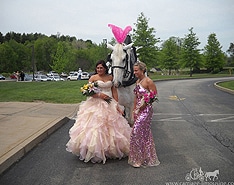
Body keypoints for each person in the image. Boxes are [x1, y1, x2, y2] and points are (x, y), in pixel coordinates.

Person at [66, 60, 132, 164]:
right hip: (96, 103)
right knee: (95, 127)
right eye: (98, 68)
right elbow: (88, 92)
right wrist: (100, 95)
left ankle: (111, 149)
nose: (99, 70)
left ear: (105, 68)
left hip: (110, 102)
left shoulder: (110, 77)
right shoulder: (93, 78)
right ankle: (94, 150)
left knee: (112, 126)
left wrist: (117, 104)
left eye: (101, 68)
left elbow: (114, 91)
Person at [128, 61, 160, 168]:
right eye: (134, 70)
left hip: (146, 110)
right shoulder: (138, 81)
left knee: (136, 132)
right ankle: (143, 156)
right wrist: (134, 109)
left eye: (136, 70)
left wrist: (145, 103)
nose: (134, 72)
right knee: (143, 133)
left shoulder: (148, 81)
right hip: (137, 110)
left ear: (143, 70)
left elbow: (154, 95)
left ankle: (140, 159)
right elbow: (136, 97)